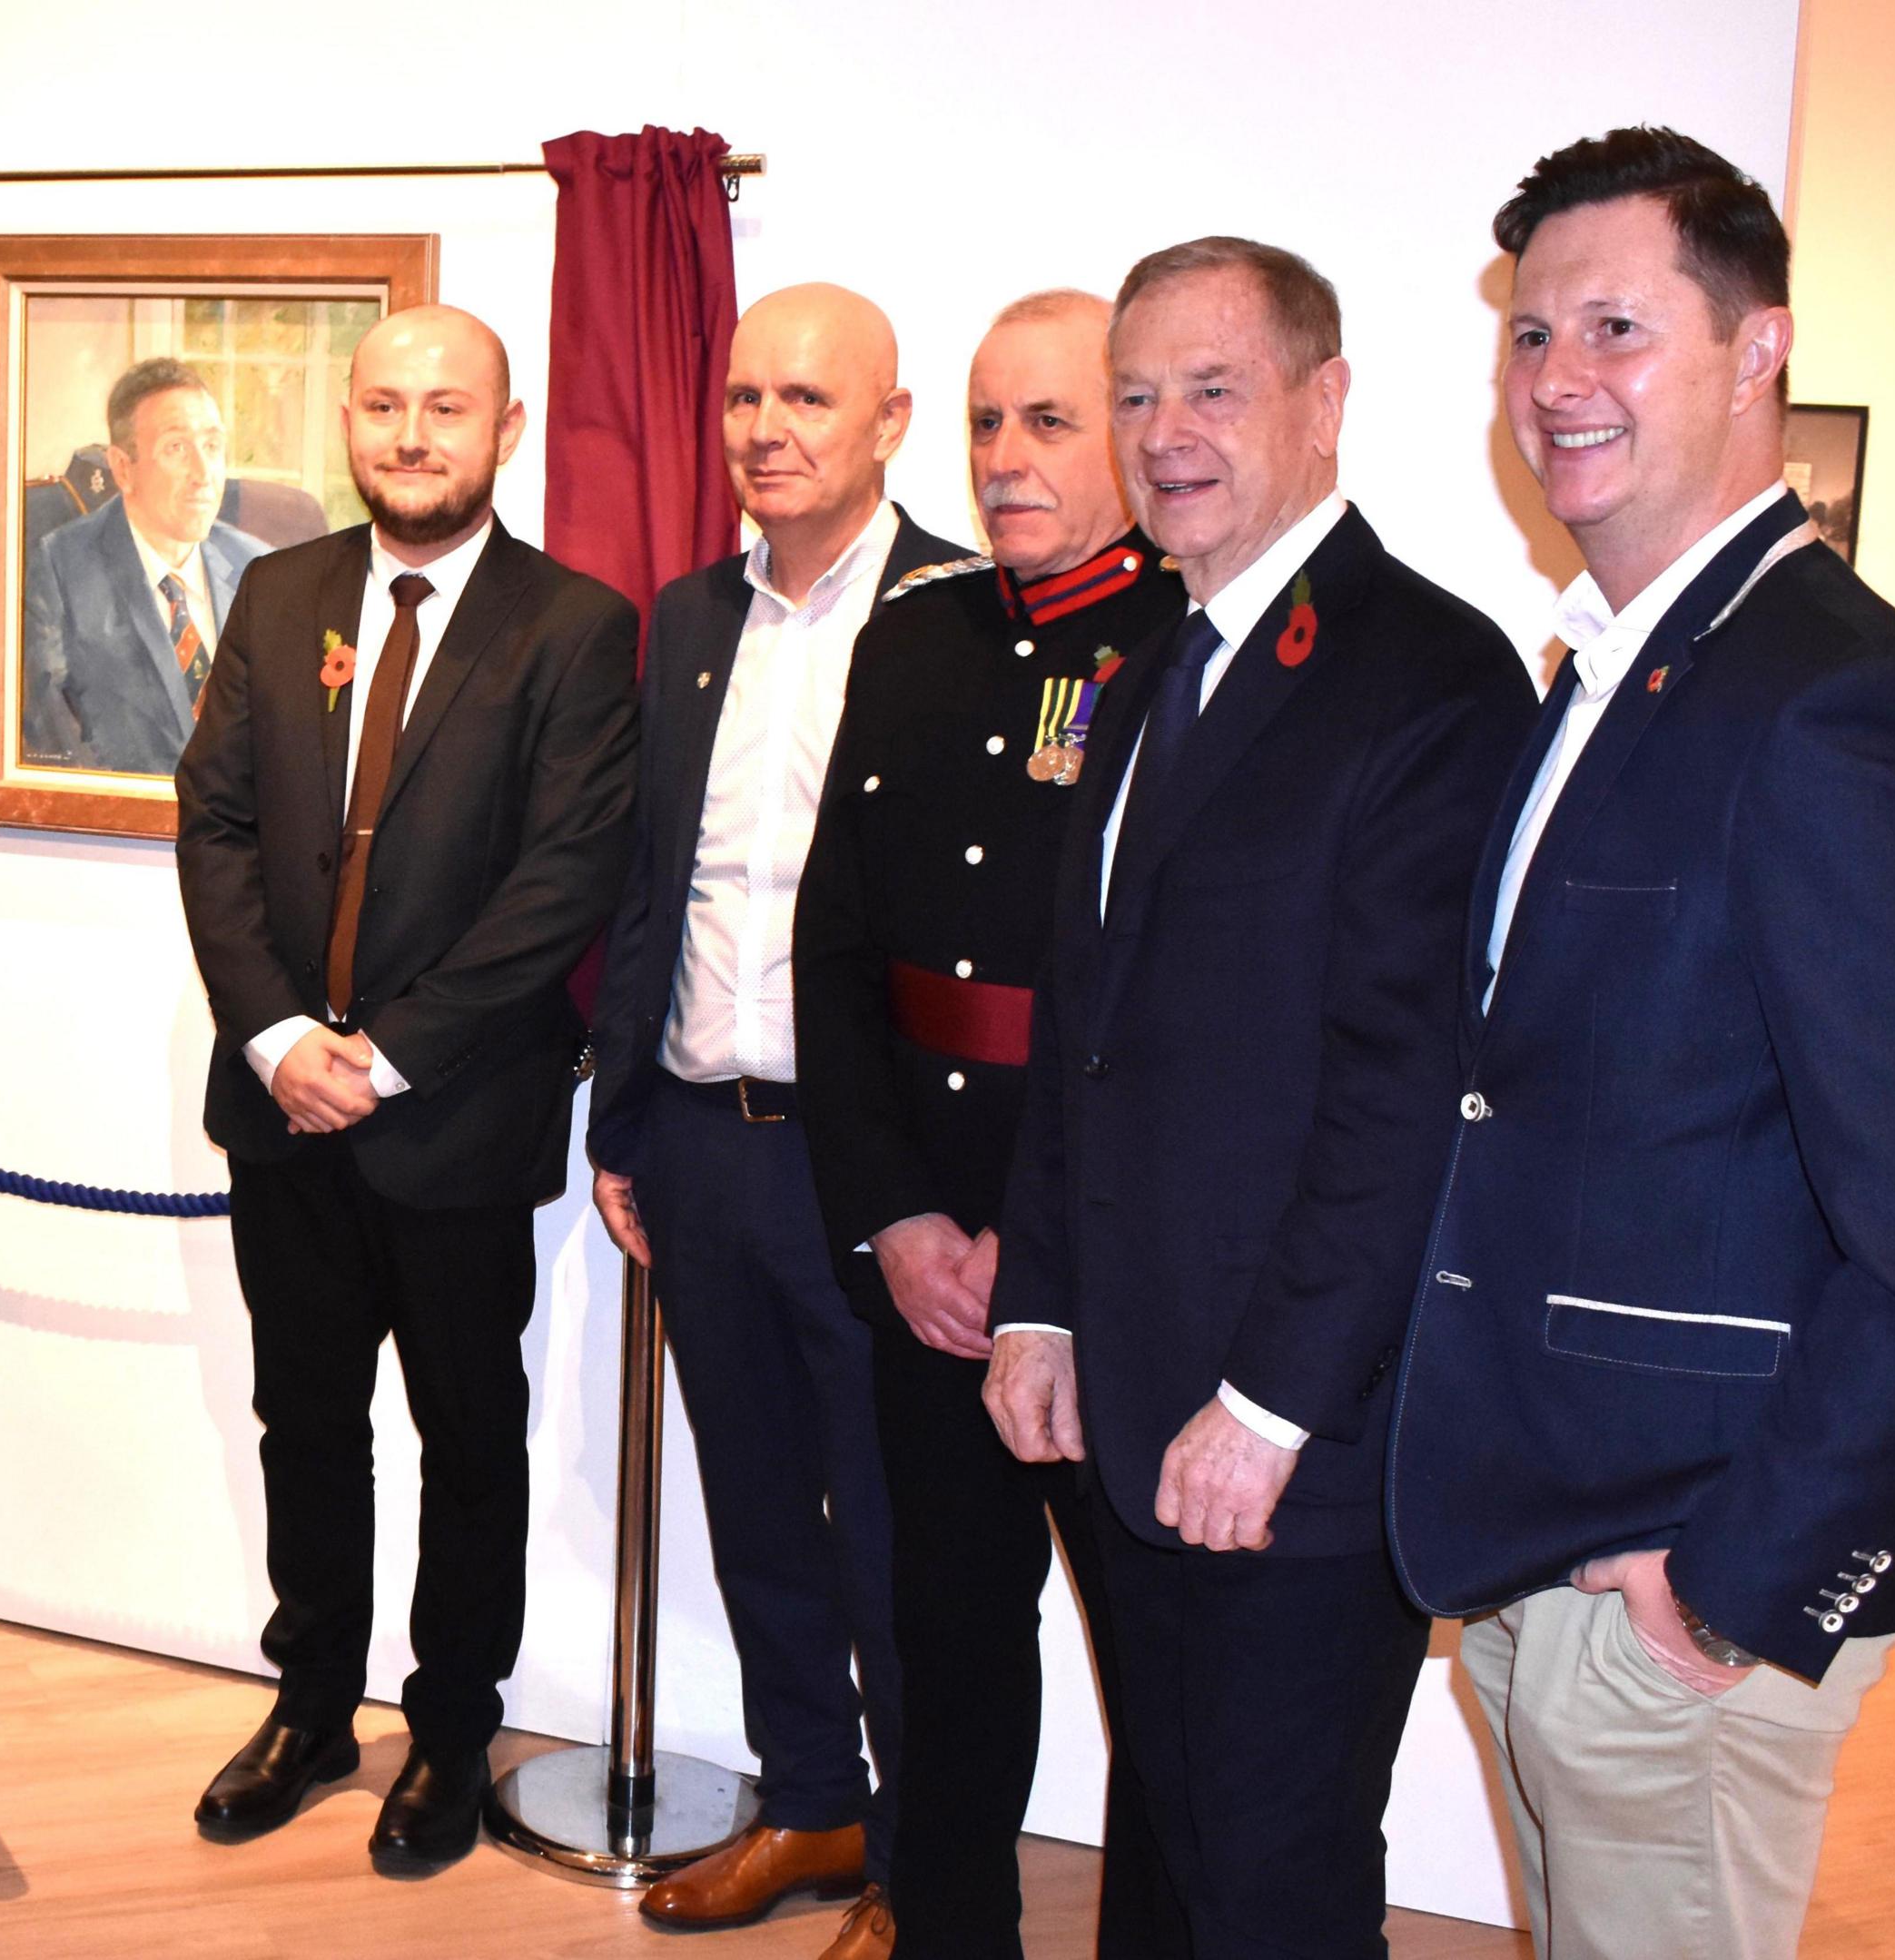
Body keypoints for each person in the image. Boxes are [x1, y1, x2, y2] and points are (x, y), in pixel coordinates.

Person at [1387, 128, 1895, 1960]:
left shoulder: (1833, 703)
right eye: (1532, 336)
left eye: (1618, 325)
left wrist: (1743, 1581)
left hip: (1685, 1580)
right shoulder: (1627, 669)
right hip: (1556, 1543)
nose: (1561, 381)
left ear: (1760, 347)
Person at [979, 239, 1535, 1955]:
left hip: (1286, 1439)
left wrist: (1275, 1404)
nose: (1165, 431)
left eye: (1211, 388)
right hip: (1133, 1401)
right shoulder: (1157, 665)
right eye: (1138, 393)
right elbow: (1090, 1030)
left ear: (1326, 401)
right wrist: (1043, 1301)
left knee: (1275, 1883)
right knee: (1171, 1848)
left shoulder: (1426, 677)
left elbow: (1407, 1088)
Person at [173, 304, 639, 1870]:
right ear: (351, 424)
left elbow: (564, 875)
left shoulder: (572, 625)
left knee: (466, 1431)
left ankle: (450, 1724)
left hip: (453, 1112)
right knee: (303, 1417)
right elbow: (219, 830)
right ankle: (311, 1700)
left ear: (504, 429)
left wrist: (388, 1050)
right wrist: (277, 1041)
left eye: (448, 408)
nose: (411, 434)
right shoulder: (279, 592)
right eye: (384, 406)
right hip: (280, 1108)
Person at [793, 290, 1191, 1960]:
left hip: (1106, 1269)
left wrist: (1053, 1253)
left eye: (1050, 421)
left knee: (1164, 1681)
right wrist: (894, 1219)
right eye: (984, 423)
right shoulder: (915, 639)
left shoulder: (1194, 647)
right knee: (946, 1652)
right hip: (930, 1260)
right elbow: (836, 956)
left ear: (1129, 434)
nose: (1007, 459)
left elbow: (1186, 1017)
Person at [582, 283, 935, 1960]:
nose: (766, 428)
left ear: (887, 422)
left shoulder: (953, 614)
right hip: (701, 1140)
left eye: (807, 397)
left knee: (892, 1524)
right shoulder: (689, 615)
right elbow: (661, 879)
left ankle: (919, 1865)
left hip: (871, 1164)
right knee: (753, 1499)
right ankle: (812, 1795)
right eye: (744, 397)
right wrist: (623, 1112)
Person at [23, 358, 268, 773]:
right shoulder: (61, 568)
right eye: (177, 449)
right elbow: (52, 743)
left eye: (212, 446)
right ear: (123, 468)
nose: (203, 474)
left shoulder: (259, 567)